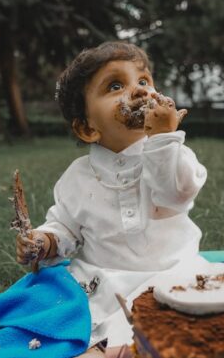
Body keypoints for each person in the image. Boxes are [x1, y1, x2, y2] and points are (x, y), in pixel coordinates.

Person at [17, 41, 208, 357]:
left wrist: (162, 139)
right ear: (88, 128)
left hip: (173, 273)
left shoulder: (172, 154)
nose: (139, 91)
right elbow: (65, 226)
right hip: (103, 281)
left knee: (183, 323)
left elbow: (175, 194)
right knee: (93, 326)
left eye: (144, 81)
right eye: (116, 85)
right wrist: (46, 241)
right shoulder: (77, 176)